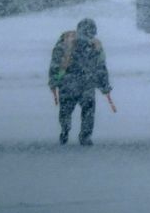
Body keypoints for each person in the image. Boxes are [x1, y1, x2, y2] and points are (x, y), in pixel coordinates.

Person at [48, 18, 112, 146]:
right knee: (88, 112)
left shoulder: (65, 42)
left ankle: (65, 130)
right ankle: (85, 136)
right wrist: (104, 86)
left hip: (67, 84)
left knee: (65, 110)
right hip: (87, 85)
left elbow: (55, 63)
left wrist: (54, 81)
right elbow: (101, 68)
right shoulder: (96, 45)